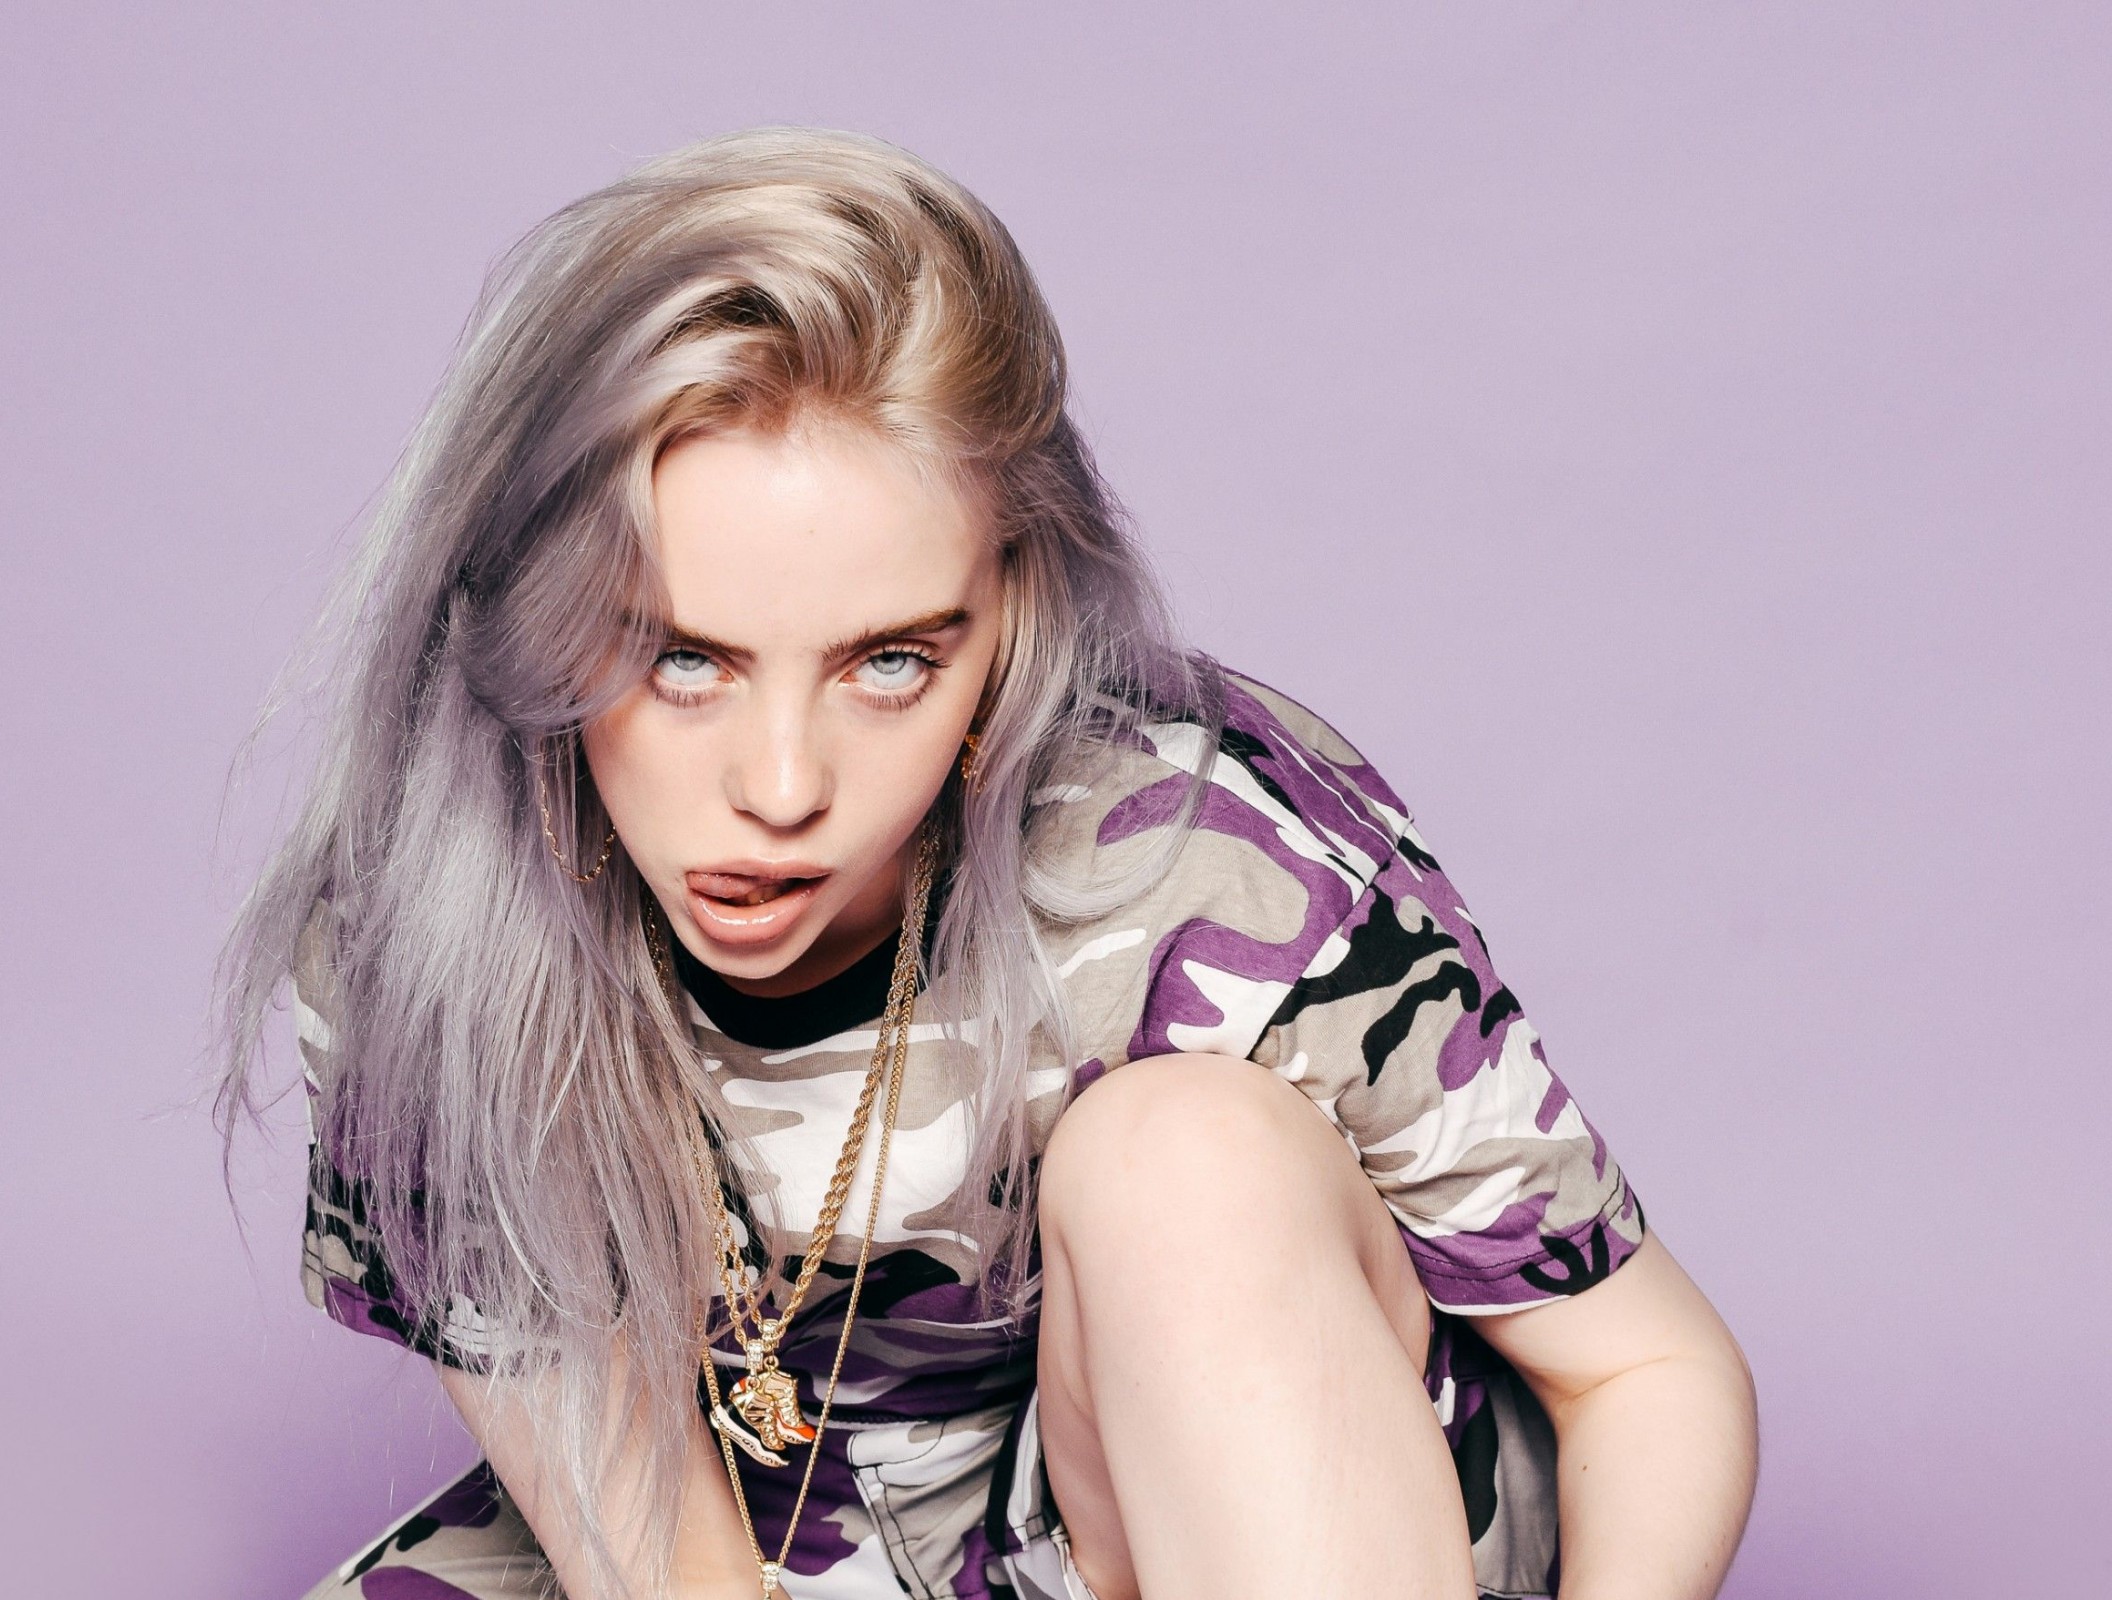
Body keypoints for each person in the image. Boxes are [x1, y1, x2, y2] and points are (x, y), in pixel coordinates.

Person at [213, 126, 1758, 1600]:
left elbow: (1647, 1370)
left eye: (890, 661)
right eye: (680, 659)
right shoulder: (424, 940)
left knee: (1183, 1160)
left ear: (1008, 616)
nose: (782, 789)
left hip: (1243, 1517)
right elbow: (675, 1570)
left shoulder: (1208, 866)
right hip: (783, 1543)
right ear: (531, 609)